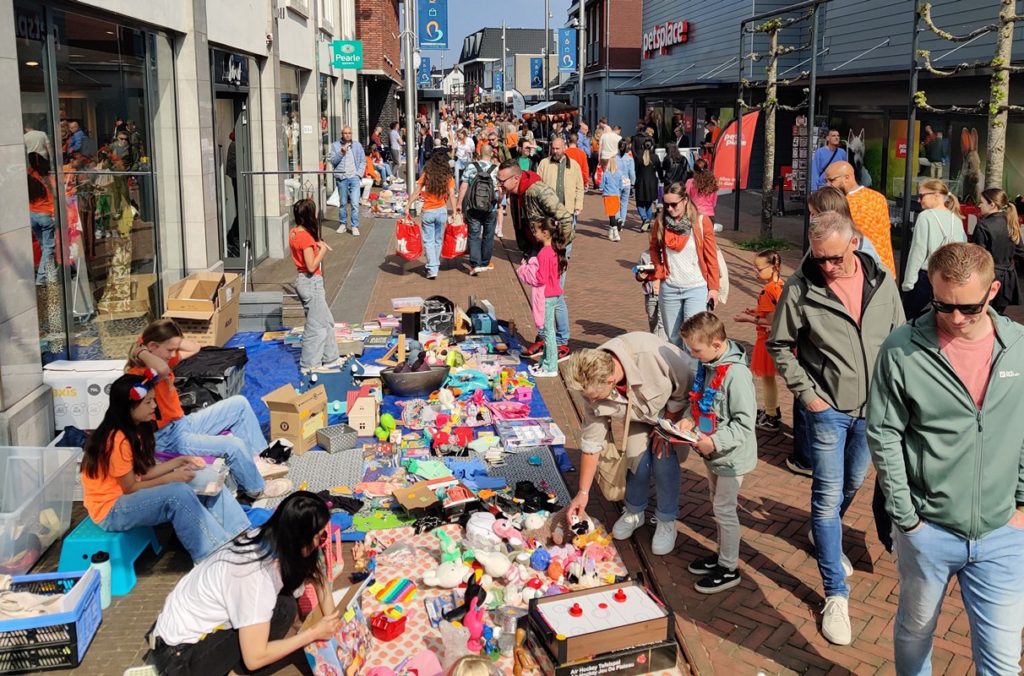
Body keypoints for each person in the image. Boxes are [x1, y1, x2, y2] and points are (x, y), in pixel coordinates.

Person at [868, 242, 1024, 674]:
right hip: (928, 531)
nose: (956, 318)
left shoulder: (1020, 350)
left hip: (1003, 534)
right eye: (944, 305)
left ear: (993, 291)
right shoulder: (902, 349)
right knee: (916, 631)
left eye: (969, 307)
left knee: (1003, 660)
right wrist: (906, 517)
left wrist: (1022, 506)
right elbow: (883, 434)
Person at [767, 211, 904, 646]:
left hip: (875, 410)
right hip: (826, 409)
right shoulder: (801, 287)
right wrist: (808, 395)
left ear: (855, 244)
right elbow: (780, 345)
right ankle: (835, 594)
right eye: (819, 257)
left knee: (853, 482)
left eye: (834, 258)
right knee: (826, 498)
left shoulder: (881, 279)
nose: (826, 266)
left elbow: (900, 338)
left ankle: (820, 533)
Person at [149, 492, 342, 675]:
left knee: (285, 606)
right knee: (282, 613)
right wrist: (312, 634)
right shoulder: (256, 576)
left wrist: (335, 627)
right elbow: (255, 658)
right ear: (301, 539)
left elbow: (319, 579)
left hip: (178, 636)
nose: (323, 543)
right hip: (179, 658)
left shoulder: (271, 536)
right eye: (321, 536)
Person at [82, 373, 248, 565]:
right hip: (112, 509)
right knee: (177, 493)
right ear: (129, 406)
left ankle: (241, 534)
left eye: (153, 401)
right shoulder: (117, 440)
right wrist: (172, 478)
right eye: (148, 402)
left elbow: (143, 473)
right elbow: (130, 488)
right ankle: (213, 555)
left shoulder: (137, 429)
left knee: (206, 479)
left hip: (129, 495)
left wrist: (180, 461)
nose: (154, 406)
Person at [564, 333, 695, 556]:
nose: (591, 401)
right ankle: (635, 511)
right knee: (636, 459)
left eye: (595, 397)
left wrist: (667, 426)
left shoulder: (649, 354)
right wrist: (583, 492)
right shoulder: (591, 384)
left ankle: (666, 520)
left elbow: (687, 388)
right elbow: (592, 443)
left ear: (610, 381)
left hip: (676, 412)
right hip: (640, 417)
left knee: (663, 461)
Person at [128, 319, 275, 499]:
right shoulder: (139, 374)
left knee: (239, 404)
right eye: (170, 350)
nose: (173, 354)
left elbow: (194, 347)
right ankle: (256, 489)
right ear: (152, 347)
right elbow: (163, 370)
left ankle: (262, 461)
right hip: (168, 437)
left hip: (182, 423)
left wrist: (172, 340)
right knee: (233, 445)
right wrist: (140, 350)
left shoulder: (161, 357)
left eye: (175, 349)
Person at [674, 312, 756, 594]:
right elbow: (699, 401)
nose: (692, 355)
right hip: (711, 453)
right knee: (717, 506)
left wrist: (715, 441)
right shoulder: (708, 365)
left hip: (730, 456)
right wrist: (688, 417)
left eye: (696, 350)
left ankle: (729, 567)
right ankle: (722, 555)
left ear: (717, 344)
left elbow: (744, 424)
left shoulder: (737, 375)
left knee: (724, 510)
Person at [650, 182, 722, 348]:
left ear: (685, 201)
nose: (669, 209)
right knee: (674, 338)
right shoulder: (661, 222)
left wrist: (713, 288)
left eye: (674, 204)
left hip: (696, 287)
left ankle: (694, 373)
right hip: (670, 288)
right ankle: (679, 372)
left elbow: (711, 257)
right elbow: (653, 248)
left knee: (694, 338)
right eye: (666, 204)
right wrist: (659, 271)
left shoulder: (701, 222)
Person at [733, 250, 784, 431]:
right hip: (779, 338)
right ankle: (772, 411)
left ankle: (771, 415)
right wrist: (756, 311)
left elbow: (770, 320)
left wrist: (748, 318)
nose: (756, 272)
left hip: (767, 339)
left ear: (774, 267)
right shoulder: (781, 286)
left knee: (768, 379)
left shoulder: (768, 290)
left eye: (759, 268)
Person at [902, 179, 967, 318]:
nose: (919, 200)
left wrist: (908, 282)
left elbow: (918, 252)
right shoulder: (956, 218)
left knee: (907, 318)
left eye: (922, 196)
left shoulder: (925, 217)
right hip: (949, 277)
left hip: (926, 276)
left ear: (936, 195)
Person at [289, 199, 341, 372]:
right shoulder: (304, 237)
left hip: (305, 281)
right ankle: (310, 365)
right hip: (311, 282)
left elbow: (304, 250)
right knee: (316, 327)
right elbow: (311, 266)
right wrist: (323, 251)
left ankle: (331, 358)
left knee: (327, 322)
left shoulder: (295, 232)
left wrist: (317, 244)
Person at [824, 161, 896, 276]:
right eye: (826, 180)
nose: (828, 184)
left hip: (864, 270)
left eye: (831, 180)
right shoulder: (878, 197)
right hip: (885, 266)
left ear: (847, 177)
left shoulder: (844, 204)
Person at [519, 218, 567, 379]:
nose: (535, 234)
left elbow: (540, 278)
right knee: (548, 331)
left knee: (548, 332)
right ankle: (545, 362)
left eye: (537, 231)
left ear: (545, 233)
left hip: (546, 295)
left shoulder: (544, 253)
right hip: (553, 293)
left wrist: (525, 269)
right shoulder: (554, 250)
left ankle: (551, 366)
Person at [972, 187, 1023, 314]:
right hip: (1008, 278)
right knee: (997, 315)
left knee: (983, 316)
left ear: (992, 204)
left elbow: (978, 256)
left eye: (982, 202)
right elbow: (1021, 251)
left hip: (989, 278)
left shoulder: (983, 225)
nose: (979, 205)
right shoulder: (1011, 222)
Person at [406, 150, 455, 280]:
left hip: (428, 210)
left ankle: (432, 267)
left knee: (428, 240)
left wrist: (407, 206)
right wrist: (455, 211)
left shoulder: (427, 174)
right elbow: (452, 195)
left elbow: (417, 192)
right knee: (438, 240)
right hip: (442, 211)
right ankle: (434, 265)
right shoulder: (447, 176)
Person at [456, 144, 499, 275]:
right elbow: (500, 190)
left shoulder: (471, 167)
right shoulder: (496, 169)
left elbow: (463, 186)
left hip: (473, 207)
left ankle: (475, 263)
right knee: (488, 235)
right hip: (490, 208)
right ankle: (485, 262)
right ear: (491, 154)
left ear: (479, 153)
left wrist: (459, 204)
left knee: (474, 235)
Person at [538, 137, 584, 223]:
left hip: (568, 209)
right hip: (549, 209)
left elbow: (579, 187)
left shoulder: (574, 165)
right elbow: (538, 186)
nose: (555, 151)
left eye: (557, 148)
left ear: (564, 148)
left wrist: (578, 205)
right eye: (553, 148)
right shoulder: (544, 163)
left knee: (568, 235)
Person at [329, 127, 366, 236]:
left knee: (355, 203)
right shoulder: (335, 145)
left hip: (354, 177)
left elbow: (363, 161)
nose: (347, 135)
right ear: (342, 134)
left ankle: (354, 226)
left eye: (349, 133)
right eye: (345, 133)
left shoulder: (357, 145)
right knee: (343, 203)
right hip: (342, 178)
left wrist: (358, 174)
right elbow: (333, 162)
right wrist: (342, 152)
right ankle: (343, 224)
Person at [27, 152, 56, 286]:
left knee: (45, 247)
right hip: (45, 215)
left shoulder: (29, 178)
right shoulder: (44, 179)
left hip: (32, 215)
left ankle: (51, 275)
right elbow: (51, 199)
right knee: (48, 247)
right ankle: (42, 278)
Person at [634, 250, 664, 339]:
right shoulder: (644, 255)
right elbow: (637, 273)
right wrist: (640, 276)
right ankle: (654, 340)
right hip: (651, 293)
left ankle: (661, 345)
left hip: (665, 293)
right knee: (652, 320)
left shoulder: (669, 254)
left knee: (662, 323)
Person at [634, 135, 660, 232]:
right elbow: (659, 170)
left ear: (642, 146)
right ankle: (647, 221)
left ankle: (645, 219)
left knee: (640, 204)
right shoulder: (655, 157)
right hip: (652, 183)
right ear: (652, 147)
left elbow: (635, 171)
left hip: (641, 182)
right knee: (649, 204)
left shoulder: (638, 158)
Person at [600, 154, 625, 242]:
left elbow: (601, 186)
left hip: (608, 196)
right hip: (616, 195)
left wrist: (601, 189)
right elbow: (621, 185)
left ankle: (615, 232)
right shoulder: (619, 173)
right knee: (613, 214)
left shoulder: (606, 174)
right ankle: (611, 233)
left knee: (611, 215)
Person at [617, 139, 636, 229]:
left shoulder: (614, 158)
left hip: (616, 182)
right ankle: (623, 221)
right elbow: (632, 172)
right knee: (624, 203)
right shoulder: (629, 159)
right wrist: (633, 181)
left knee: (616, 203)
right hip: (626, 183)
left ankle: (618, 219)